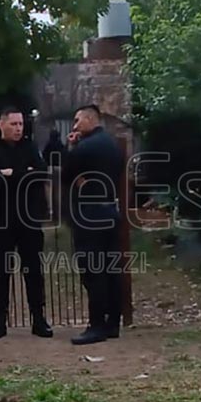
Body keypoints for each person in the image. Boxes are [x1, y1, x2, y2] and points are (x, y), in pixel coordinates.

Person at [0, 106, 53, 340]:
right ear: (2, 124)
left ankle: (38, 319)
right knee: (0, 272)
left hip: (29, 219)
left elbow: (41, 174)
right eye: (14, 124)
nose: (18, 128)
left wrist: (12, 174)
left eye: (21, 124)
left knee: (33, 271)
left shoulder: (30, 147)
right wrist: (24, 174)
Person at [62, 104, 125, 345]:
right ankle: (113, 324)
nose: (75, 126)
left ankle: (96, 325)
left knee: (93, 271)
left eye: (78, 121)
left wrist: (72, 147)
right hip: (110, 210)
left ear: (90, 120)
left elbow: (66, 175)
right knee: (111, 270)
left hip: (89, 216)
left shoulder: (84, 148)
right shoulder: (113, 147)